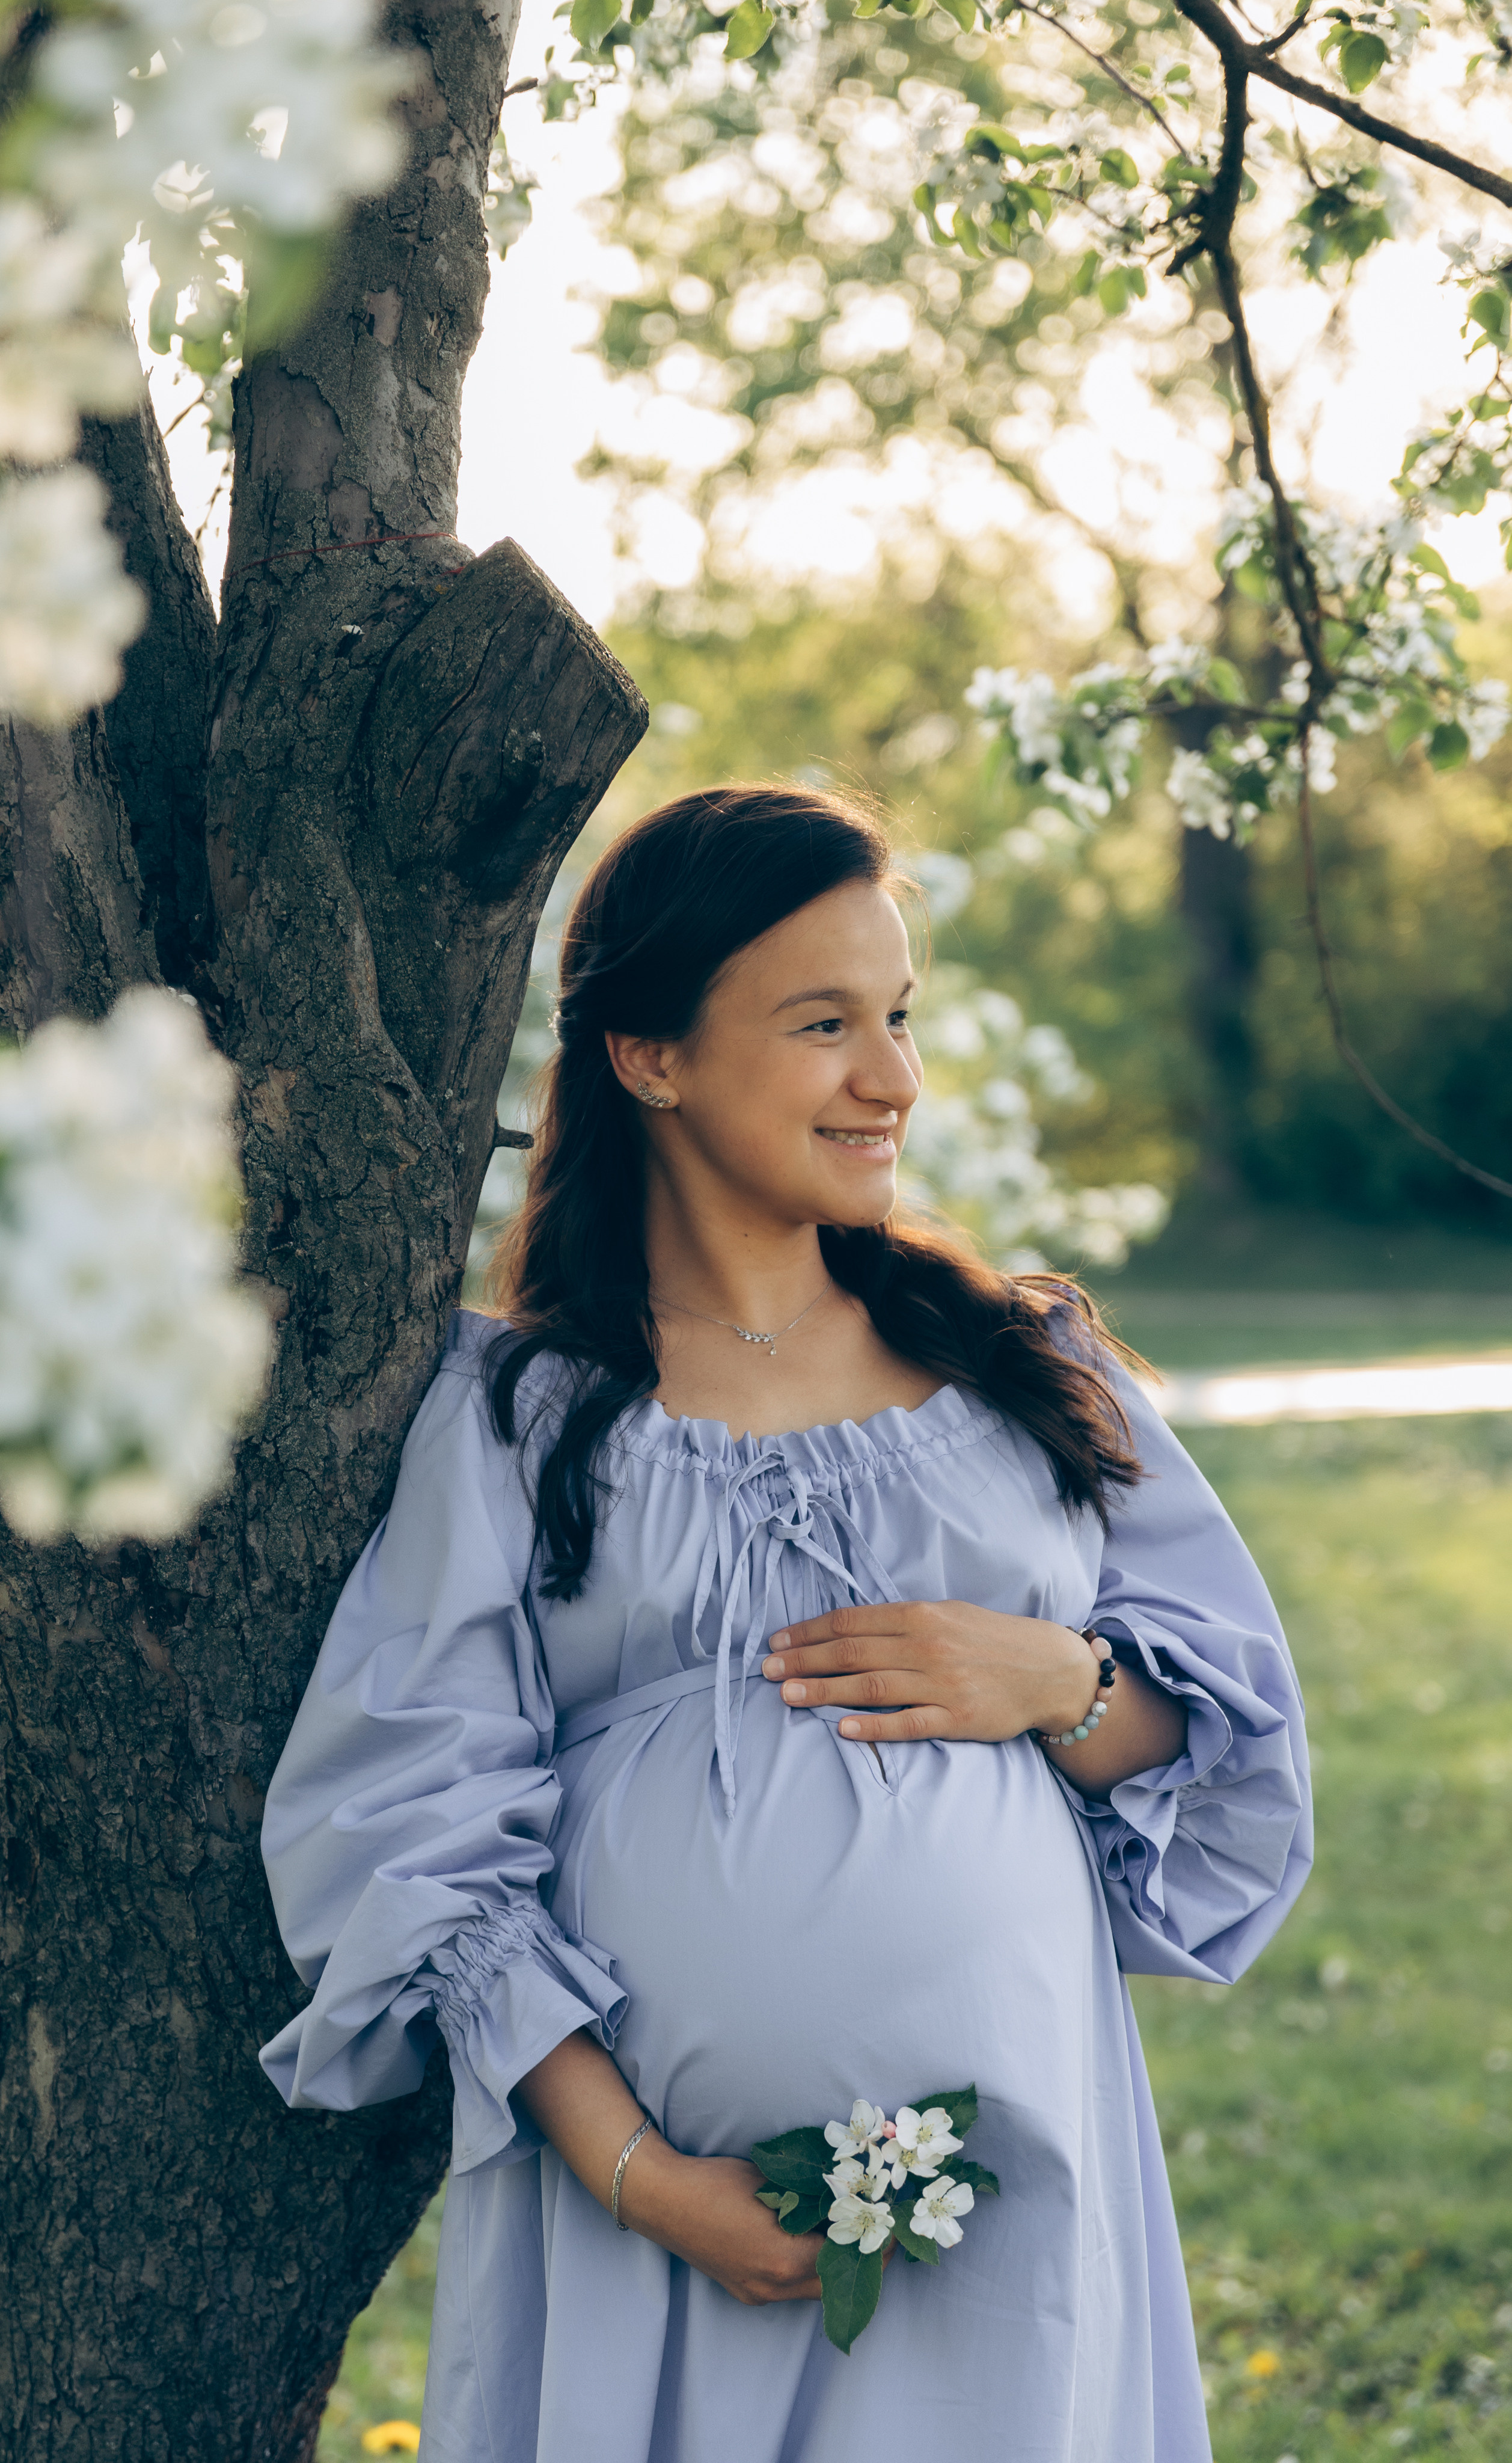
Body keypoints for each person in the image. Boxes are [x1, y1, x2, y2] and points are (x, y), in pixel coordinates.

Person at [258, 785, 1311, 2463]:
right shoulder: (520, 1410)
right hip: (657, 2229)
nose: (890, 1080)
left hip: (1014, 2192)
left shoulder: (1020, 1372)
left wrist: (1057, 1679)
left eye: (896, 1018)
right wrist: (642, 2178)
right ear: (649, 1056)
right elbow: (411, 1824)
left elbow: (1225, 1755)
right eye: (824, 1024)